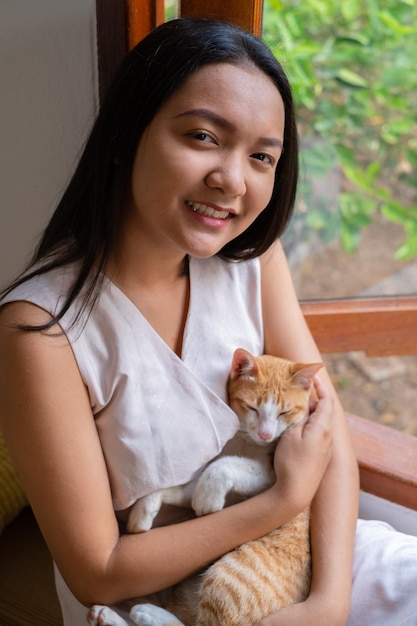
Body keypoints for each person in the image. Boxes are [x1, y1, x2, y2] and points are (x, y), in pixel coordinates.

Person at [0, 17, 416, 626]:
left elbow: (329, 435)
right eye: (202, 136)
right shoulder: (42, 329)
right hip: (170, 602)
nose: (232, 180)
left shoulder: (253, 262)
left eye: (261, 156)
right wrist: (283, 498)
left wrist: (327, 604)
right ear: (127, 135)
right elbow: (99, 568)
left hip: (309, 560)